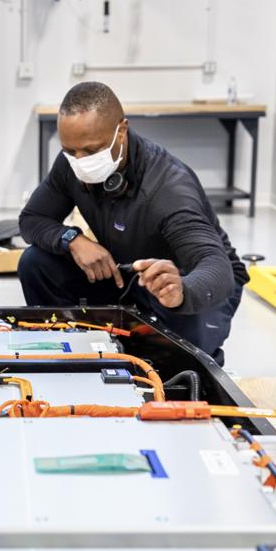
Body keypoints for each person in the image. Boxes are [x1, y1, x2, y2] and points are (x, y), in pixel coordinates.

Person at [18, 81, 248, 365]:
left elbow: (216, 266)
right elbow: (31, 219)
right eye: (70, 151)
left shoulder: (167, 187)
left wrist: (181, 291)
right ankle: (73, 351)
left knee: (179, 360)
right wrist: (72, 240)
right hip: (130, 272)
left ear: (121, 131)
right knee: (35, 262)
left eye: (91, 151)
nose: (80, 162)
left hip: (191, 283)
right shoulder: (71, 163)